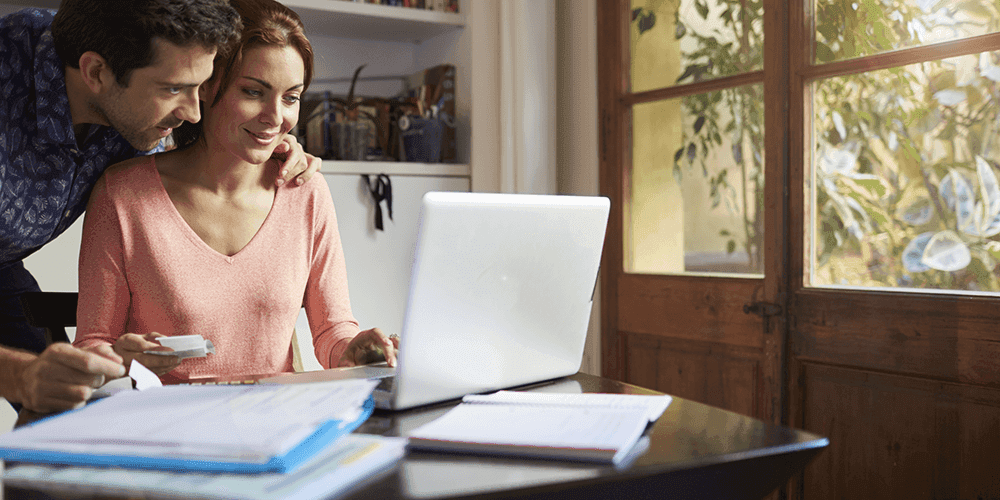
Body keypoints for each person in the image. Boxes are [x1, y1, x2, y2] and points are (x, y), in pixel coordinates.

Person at [0, 0, 323, 413]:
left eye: (201, 87)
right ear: (95, 72)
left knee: (63, 403)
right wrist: (20, 376)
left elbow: (195, 152)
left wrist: (266, 139)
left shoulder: (135, 89)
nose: (193, 112)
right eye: (174, 89)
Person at [72, 0, 398, 383]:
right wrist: (123, 361)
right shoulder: (122, 195)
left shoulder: (305, 191)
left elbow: (332, 333)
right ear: (207, 86)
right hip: (166, 429)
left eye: (291, 97)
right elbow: (93, 344)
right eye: (253, 92)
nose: (275, 117)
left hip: (280, 422)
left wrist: (355, 349)